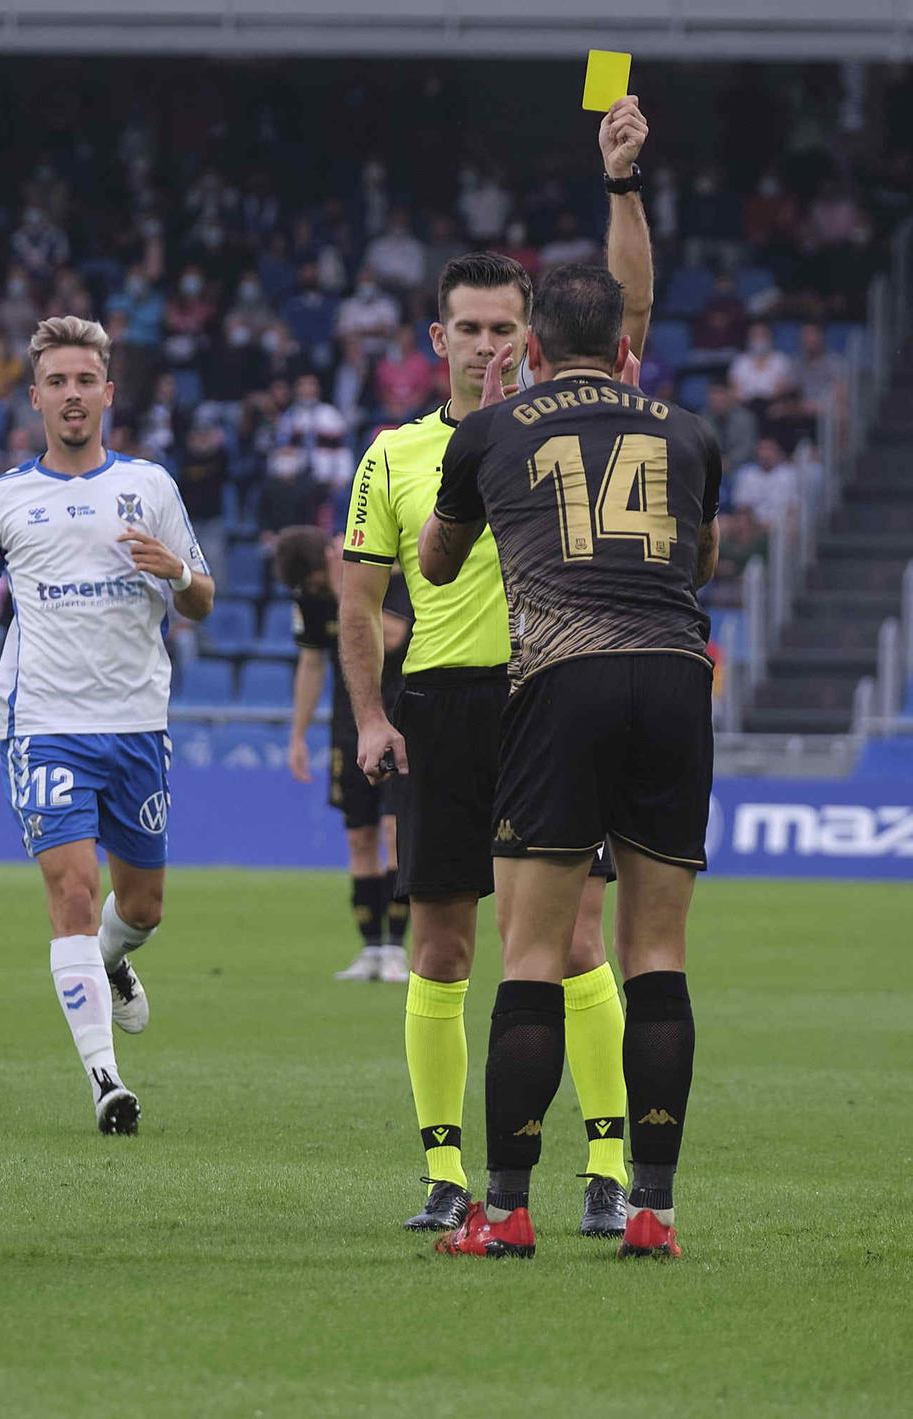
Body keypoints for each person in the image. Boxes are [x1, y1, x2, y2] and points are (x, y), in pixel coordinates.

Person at [340, 97, 654, 1240]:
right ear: (437, 340)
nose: (483, 346)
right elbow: (358, 601)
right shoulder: (391, 456)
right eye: (464, 329)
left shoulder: (567, 421)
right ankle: (442, 1170)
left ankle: (606, 1167)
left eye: (499, 329)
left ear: (528, 334)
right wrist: (370, 717)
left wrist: (619, 183)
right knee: (442, 945)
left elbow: (631, 305)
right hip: (440, 710)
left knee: (575, 942)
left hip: (549, 701)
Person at [418, 263, 722, 1262]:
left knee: (532, 957)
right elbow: (700, 561)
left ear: (531, 346)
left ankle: (503, 1210)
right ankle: (654, 1212)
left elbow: (433, 562)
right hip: (676, 678)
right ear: (622, 348)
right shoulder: (685, 431)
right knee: (655, 959)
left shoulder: (491, 429)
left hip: (560, 680)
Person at [0, 316, 214, 1135]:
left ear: (108, 392)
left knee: (142, 905)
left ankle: (113, 960)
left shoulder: (151, 486)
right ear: (36, 395)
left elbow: (203, 598)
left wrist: (176, 569)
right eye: (57, 381)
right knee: (73, 892)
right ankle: (104, 1081)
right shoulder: (4, 498)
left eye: (86, 380)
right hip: (43, 720)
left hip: (136, 723)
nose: (73, 394)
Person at [274, 526, 414, 983]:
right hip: (347, 730)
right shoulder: (311, 596)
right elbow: (312, 663)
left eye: (318, 581)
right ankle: (370, 949)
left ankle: (396, 948)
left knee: (395, 834)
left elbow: (391, 635)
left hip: (398, 722)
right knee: (359, 838)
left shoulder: (388, 577)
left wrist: (342, 591)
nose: (316, 591)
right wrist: (297, 736)